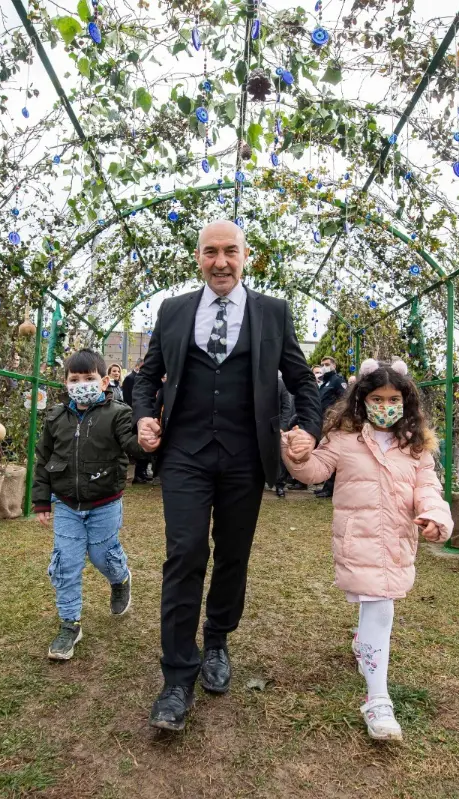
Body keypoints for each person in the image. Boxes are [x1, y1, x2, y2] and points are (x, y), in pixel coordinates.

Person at [133, 220, 321, 732]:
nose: (220, 262)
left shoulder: (273, 313)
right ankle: (177, 675)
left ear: (246, 257)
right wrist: (143, 416)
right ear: (198, 257)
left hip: (244, 457)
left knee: (232, 555)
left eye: (230, 252)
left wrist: (307, 428)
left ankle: (217, 640)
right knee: (185, 552)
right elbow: (148, 377)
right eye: (211, 252)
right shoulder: (172, 311)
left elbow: (303, 381)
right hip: (185, 455)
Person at [282, 358, 452, 741]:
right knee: (380, 608)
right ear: (362, 398)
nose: (386, 405)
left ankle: (364, 648)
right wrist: (296, 455)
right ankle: (378, 699)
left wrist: (434, 515)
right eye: (377, 397)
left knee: (378, 604)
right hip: (357, 540)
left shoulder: (414, 446)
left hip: (396, 541)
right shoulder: (343, 439)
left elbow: (428, 487)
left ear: (406, 401)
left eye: (394, 398)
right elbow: (314, 472)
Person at [32, 349, 144, 661]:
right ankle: (70, 624)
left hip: (105, 503)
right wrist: (41, 500)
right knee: (66, 564)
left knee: (101, 556)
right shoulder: (55, 418)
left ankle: (120, 579)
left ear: (105, 381)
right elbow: (43, 461)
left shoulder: (118, 413)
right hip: (67, 504)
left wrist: (148, 439)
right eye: (75, 379)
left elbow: (133, 445)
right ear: (66, 383)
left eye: (89, 378)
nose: (82, 384)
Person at [311, 356, 349, 498]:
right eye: (322, 364)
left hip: (332, 422)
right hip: (322, 422)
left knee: (333, 454)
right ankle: (326, 486)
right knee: (326, 453)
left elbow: (345, 399)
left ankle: (330, 488)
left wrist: (336, 416)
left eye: (327, 364)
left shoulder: (337, 380)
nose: (324, 367)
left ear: (334, 365)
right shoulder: (325, 382)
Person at [122, 361, 151, 483]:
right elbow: (129, 396)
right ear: (138, 366)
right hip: (135, 413)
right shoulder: (130, 378)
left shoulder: (142, 378)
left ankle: (142, 472)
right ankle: (139, 474)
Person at [274, 372, 294, 498]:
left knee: (280, 456)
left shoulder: (280, 384)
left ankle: (280, 484)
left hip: (277, 426)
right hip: (259, 427)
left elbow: (287, 407)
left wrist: (282, 426)